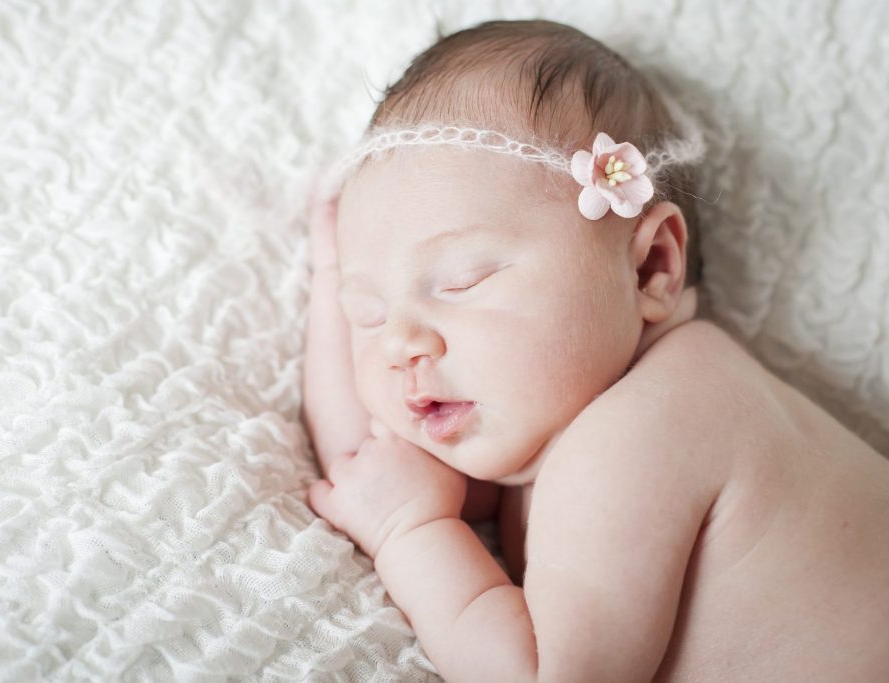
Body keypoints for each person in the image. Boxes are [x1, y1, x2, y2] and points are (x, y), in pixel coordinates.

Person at [302, 19, 889, 682]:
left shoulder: (652, 422)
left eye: (464, 281)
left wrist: (410, 534)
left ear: (648, 269)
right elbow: (368, 471)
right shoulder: (545, 434)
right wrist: (329, 278)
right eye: (369, 314)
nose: (402, 343)